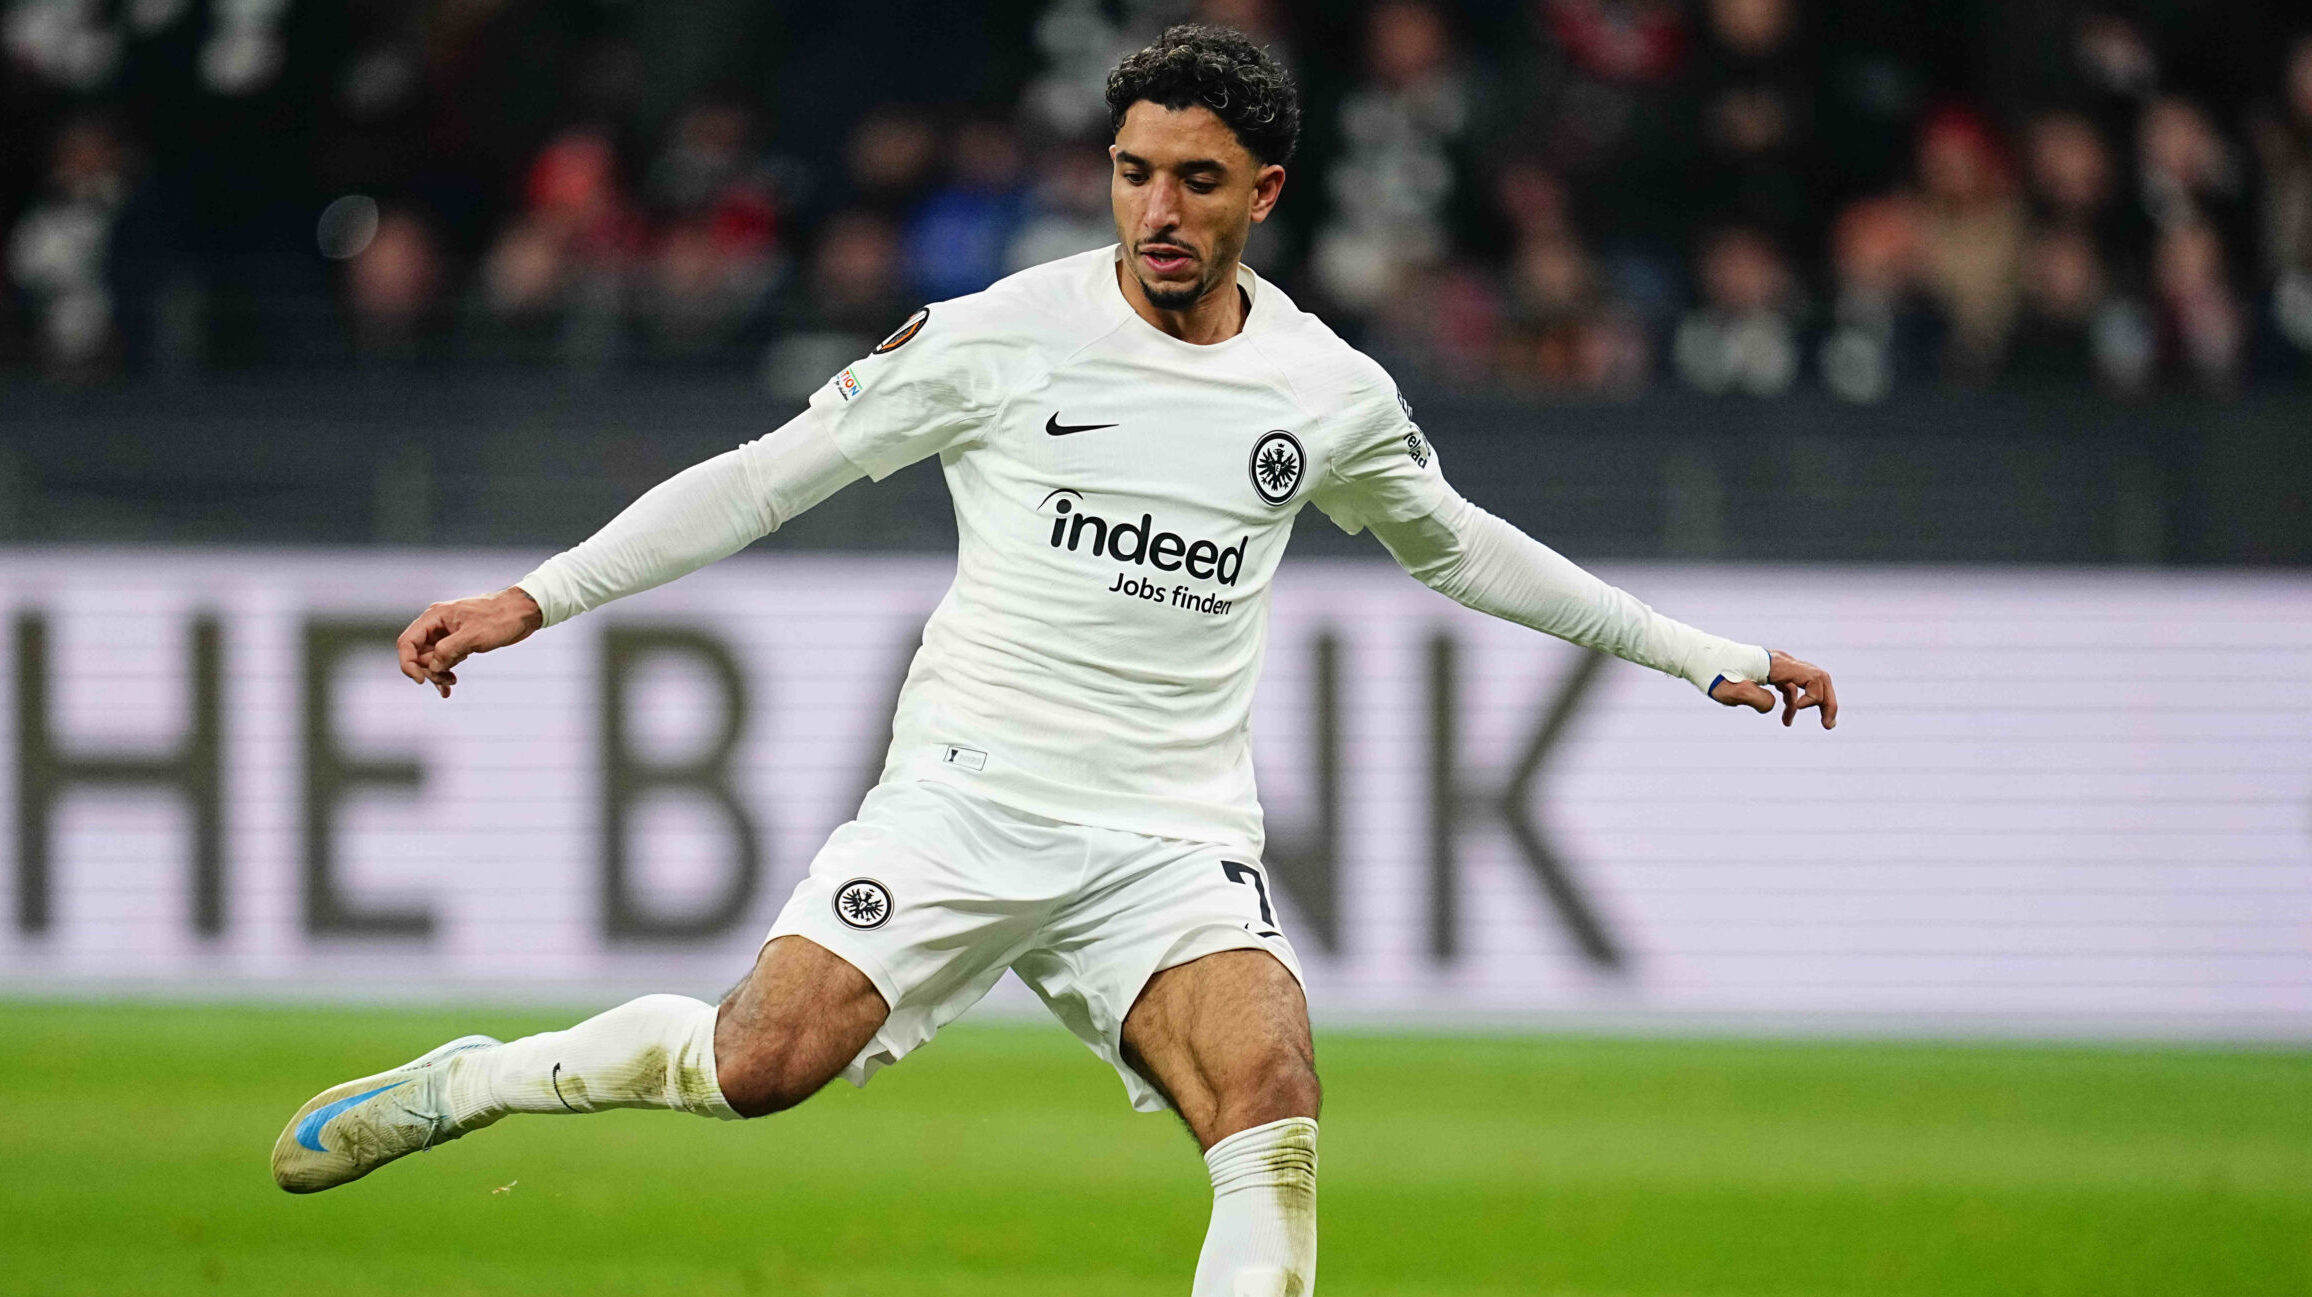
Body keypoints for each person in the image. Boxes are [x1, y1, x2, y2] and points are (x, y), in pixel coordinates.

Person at [269, 25, 1838, 1295]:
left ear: (1263, 195)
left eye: (1197, 181)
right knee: (756, 1067)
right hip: (963, 797)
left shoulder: (1325, 387)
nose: (1158, 210)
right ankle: (481, 1080)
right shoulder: (997, 334)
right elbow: (760, 477)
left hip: (1171, 833)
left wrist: (1697, 655)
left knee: (1272, 1095)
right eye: (1134, 172)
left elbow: (1463, 544)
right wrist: (535, 598)